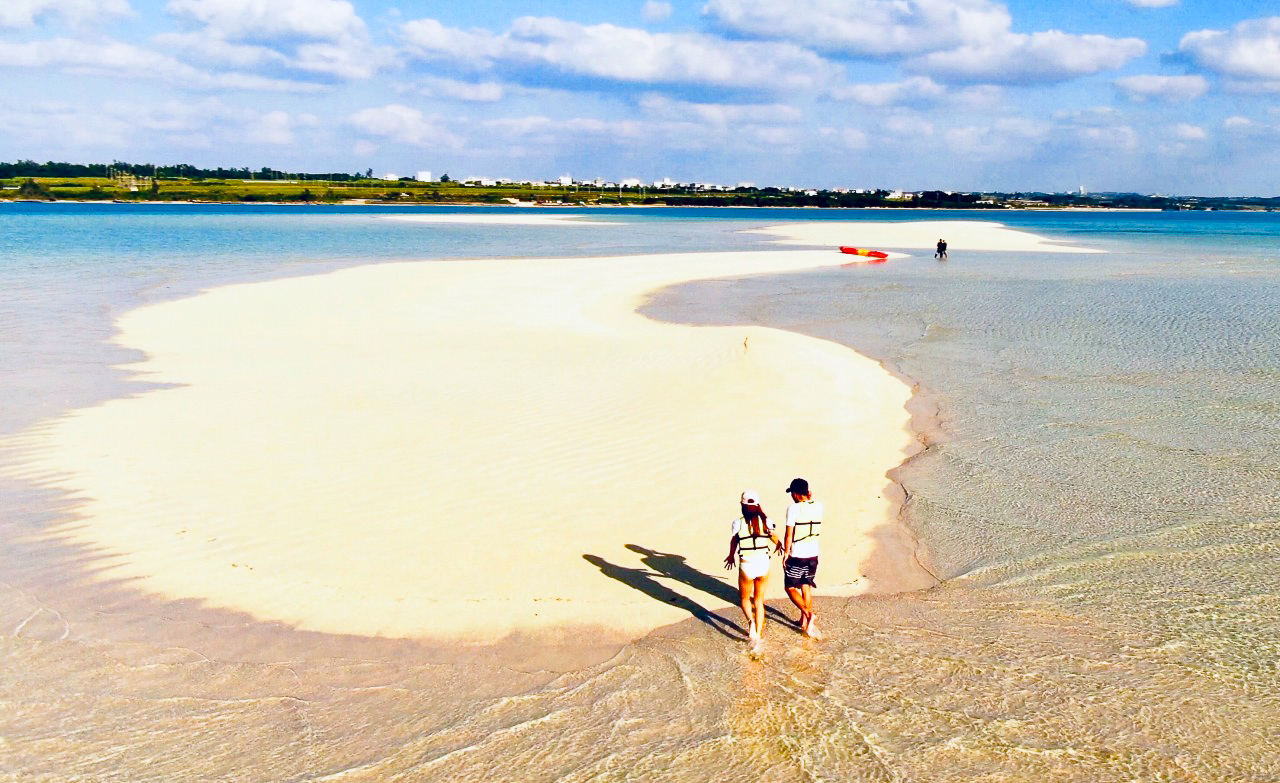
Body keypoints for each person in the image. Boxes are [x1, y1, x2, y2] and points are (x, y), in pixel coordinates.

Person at [724, 490, 780, 644]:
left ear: (742, 505)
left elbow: (734, 541)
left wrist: (730, 556)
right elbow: (774, 537)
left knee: (744, 598)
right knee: (759, 600)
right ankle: (759, 634)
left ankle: (751, 623)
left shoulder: (737, 523)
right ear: (758, 504)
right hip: (763, 563)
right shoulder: (766, 521)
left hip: (747, 564)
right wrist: (779, 545)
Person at [781, 477, 824, 638]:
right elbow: (810, 504)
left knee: (790, 587)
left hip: (798, 553)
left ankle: (808, 613)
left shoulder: (793, 509)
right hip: (813, 552)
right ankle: (804, 622)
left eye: (792, 493)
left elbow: (789, 534)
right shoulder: (819, 506)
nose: (791, 496)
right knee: (806, 585)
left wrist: (786, 553)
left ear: (797, 494)